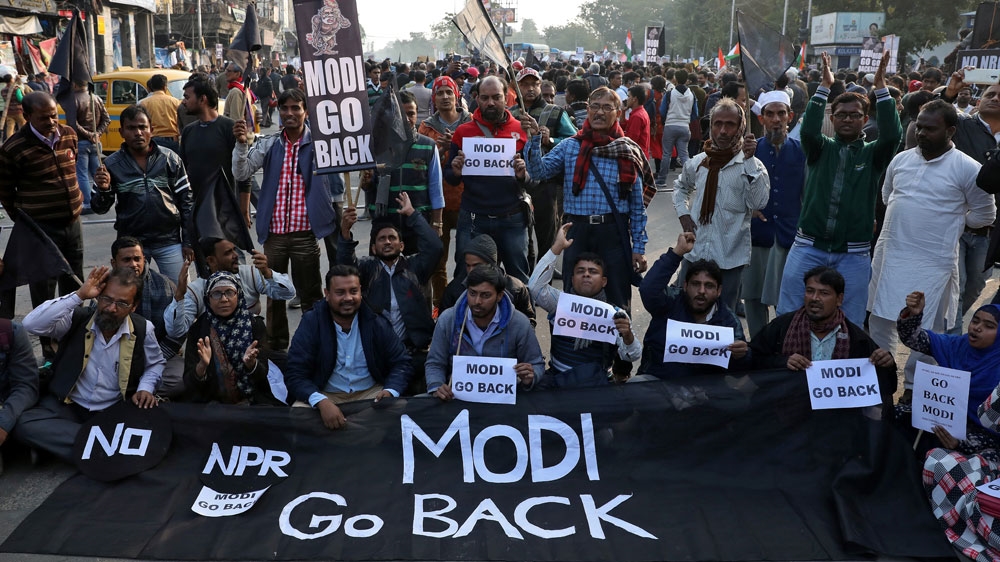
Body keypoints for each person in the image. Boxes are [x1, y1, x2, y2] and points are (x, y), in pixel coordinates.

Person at [868, 100, 995, 399]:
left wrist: (953, 221)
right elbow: (887, 196)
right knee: (880, 320)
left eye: (930, 128)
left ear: (950, 131)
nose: (921, 133)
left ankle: (914, 391)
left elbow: (985, 214)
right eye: (919, 127)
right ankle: (880, 384)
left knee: (927, 330)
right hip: (891, 255)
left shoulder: (968, 168)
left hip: (933, 262)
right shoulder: (901, 160)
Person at [776, 51, 901, 326]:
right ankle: (785, 352)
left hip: (854, 252)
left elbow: (893, 135)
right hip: (808, 245)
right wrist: (824, 87)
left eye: (854, 115)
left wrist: (881, 89)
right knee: (789, 310)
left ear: (865, 120)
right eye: (841, 115)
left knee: (851, 320)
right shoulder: (820, 149)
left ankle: (841, 355)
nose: (847, 119)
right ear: (832, 119)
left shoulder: (873, 155)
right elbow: (808, 131)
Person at [16, 266, 163, 461]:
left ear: (133, 306)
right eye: (107, 299)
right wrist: (79, 295)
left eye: (121, 303)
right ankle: (100, 445)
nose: (111, 308)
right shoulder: (77, 319)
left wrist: (145, 388)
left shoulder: (143, 329)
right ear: (98, 296)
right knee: (25, 423)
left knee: (153, 429)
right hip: (68, 406)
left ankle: (65, 446)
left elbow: (155, 364)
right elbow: (31, 324)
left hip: (112, 411)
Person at [233, 88, 343, 350]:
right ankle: (277, 348)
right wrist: (241, 144)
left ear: (306, 111)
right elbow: (242, 172)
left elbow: (340, 174)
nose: (290, 113)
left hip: (306, 234)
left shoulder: (321, 144)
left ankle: (314, 347)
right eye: (285, 108)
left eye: (296, 108)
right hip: (274, 236)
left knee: (311, 296)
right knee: (274, 295)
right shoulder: (269, 143)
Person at [523, 86, 649, 310]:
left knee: (617, 296)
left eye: (607, 108)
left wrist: (638, 247)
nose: (599, 112)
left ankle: (619, 334)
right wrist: (534, 139)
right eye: (595, 106)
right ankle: (574, 335)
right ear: (588, 109)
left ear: (618, 113)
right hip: (577, 231)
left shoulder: (627, 150)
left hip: (613, 232)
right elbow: (538, 171)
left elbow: (637, 205)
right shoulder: (570, 146)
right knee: (574, 299)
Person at [0, 92, 85, 351]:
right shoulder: (14, 148)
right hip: (40, 230)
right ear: (27, 117)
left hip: (73, 224)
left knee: (75, 284)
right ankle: (49, 346)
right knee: (44, 289)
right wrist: (26, 220)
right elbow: (5, 192)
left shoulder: (69, 134)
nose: (51, 122)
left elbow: (72, 170)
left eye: (54, 115)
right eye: (44, 118)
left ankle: (75, 338)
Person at [917, 299, 1000, 561]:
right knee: (929, 450)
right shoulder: (958, 346)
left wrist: (961, 443)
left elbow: (989, 422)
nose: (976, 328)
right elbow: (915, 339)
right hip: (960, 433)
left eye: (989, 326)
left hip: (991, 449)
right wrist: (912, 315)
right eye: (975, 321)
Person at [283, 265, 413, 429]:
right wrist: (321, 402)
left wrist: (390, 391)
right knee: (299, 414)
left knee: (398, 406)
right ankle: (359, 433)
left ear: (360, 292)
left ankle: (344, 435)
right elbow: (295, 372)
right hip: (327, 394)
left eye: (353, 291)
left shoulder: (375, 320)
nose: (348, 298)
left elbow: (401, 362)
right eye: (340, 292)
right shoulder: (312, 322)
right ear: (327, 294)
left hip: (370, 393)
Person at [750, 266, 896, 409]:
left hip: (836, 418)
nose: (815, 298)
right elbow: (752, 361)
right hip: (787, 411)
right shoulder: (782, 326)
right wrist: (783, 362)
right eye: (810, 291)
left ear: (839, 299)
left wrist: (886, 365)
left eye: (824, 293)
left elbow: (886, 386)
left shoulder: (857, 338)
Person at [672, 98, 769, 311]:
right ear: (711, 125)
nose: (723, 131)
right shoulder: (698, 162)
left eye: (730, 124)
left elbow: (759, 202)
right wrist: (683, 214)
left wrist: (749, 161)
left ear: (741, 128)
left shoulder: (752, 166)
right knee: (684, 312)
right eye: (718, 124)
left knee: (723, 316)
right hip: (695, 253)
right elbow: (680, 187)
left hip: (729, 260)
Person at [338, 192, 441, 390]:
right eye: (382, 239)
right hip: (377, 351)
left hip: (414, 350)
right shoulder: (367, 269)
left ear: (401, 245)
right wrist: (345, 232)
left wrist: (412, 214)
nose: (387, 242)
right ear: (374, 248)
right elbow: (344, 268)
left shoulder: (415, 267)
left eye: (392, 238)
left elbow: (435, 247)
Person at [529, 223, 641, 388]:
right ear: (572, 279)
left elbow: (632, 355)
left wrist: (628, 336)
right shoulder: (559, 303)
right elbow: (534, 287)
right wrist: (557, 248)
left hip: (594, 385)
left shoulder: (615, 314)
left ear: (604, 281)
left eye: (593, 272)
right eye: (580, 271)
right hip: (557, 378)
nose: (586, 274)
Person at [92, 104, 194, 283]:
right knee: (130, 292)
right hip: (131, 245)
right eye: (131, 128)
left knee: (182, 291)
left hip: (169, 241)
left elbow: (187, 203)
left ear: (151, 130)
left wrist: (188, 241)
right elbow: (99, 208)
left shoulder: (170, 159)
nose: (138, 133)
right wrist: (104, 189)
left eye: (142, 127)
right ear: (122, 132)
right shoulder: (110, 165)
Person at [445, 75, 532, 283]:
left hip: (512, 218)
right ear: (477, 99)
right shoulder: (463, 132)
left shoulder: (522, 130)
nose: (490, 102)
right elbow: (450, 177)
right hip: (473, 218)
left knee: (518, 278)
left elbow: (535, 179)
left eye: (496, 97)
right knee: (466, 277)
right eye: (484, 98)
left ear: (506, 97)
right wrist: (455, 171)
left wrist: (523, 175)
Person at [635, 232, 749, 379]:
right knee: (634, 385)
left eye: (709, 286)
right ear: (685, 285)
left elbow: (739, 373)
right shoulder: (669, 302)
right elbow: (648, 289)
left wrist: (742, 356)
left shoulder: (728, 322)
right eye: (696, 284)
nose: (701, 291)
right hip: (658, 382)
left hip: (704, 389)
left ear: (719, 291)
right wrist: (677, 252)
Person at [425, 264, 545, 400]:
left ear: (499, 295)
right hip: (456, 400)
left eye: (485, 295)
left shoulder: (519, 323)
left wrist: (531, 376)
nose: (477, 301)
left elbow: (537, 364)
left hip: (503, 403)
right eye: (472, 293)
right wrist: (436, 386)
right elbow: (435, 363)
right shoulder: (448, 320)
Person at [744, 91, 805, 337]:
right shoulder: (749, 151)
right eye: (770, 114)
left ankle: (783, 344)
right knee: (753, 297)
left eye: (781, 114)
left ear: (790, 116)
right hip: (756, 236)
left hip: (789, 237)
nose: (776, 119)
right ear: (761, 119)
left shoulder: (801, 150)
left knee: (787, 300)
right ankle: (759, 345)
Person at [164, 237, 295, 341]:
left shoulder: (250, 273)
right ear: (211, 260)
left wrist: (268, 273)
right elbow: (176, 331)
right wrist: (179, 296)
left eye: (234, 250)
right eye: (228, 253)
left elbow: (288, 293)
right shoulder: (195, 290)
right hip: (213, 353)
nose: (235, 255)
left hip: (252, 345)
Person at [510, 67, 578, 263]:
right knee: (520, 232)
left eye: (534, 84)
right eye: (525, 85)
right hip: (516, 181)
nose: (530, 88)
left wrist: (551, 140)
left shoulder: (555, 112)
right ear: (517, 87)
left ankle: (545, 269)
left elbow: (574, 140)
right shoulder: (510, 113)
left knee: (546, 231)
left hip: (546, 183)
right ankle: (528, 268)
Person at [363, 90, 443, 254]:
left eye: (411, 113)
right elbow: (368, 185)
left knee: (418, 269)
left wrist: (437, 223)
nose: (406, 119)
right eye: (400, 114)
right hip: (384, 226)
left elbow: (436, 190)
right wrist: (367, 183)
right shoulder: (375, 146)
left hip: (418, 224)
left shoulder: (428, 146)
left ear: (417, 115)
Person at [418, 75, 472, 309]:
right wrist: (439, 151)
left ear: (457, 95)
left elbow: (481, 158)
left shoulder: (471, 122)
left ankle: (466, 305)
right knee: (437, 261)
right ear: (433, 98)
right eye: (439, 93)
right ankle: (441, 309)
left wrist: (458, 146)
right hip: (437, 204)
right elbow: (422, 164)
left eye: (449, 92)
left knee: (467, 258)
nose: (445, 97)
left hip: (468, 201)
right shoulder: (426, 127)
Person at [107, 237, 185, 398]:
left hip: (158, 356)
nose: (133, 264)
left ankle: (141, 395)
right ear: (114, 263)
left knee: (179, 380)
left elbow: (176, 334)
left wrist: (155, 360)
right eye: (126, 260)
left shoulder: (165, 286)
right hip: (114, 358)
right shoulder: (104, 288)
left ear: (144, 259)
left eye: (137, 259)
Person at [183, 271, 277, 405]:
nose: (224, 299)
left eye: (229, 292)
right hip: (213, 404)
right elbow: (189, 383)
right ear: (208, 299)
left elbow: (262, 376)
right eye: (216, 294)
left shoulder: (254, 325)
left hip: (252, 402)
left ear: (238, 295)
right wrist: (202, 366)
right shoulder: (198, 330)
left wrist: (251, 365)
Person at [179, 77, 251, 242]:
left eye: (187, 97)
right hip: (198, 211)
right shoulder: (189, 131)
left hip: (224, 212)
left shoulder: (229, 128)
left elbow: (244, 175)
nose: (184, 102)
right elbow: (182, 172)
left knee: (229, 254)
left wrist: (243, 212)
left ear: (202, 99)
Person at [439, 233, 535, 321]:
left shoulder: (516, 288)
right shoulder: (453, 291)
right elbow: (443, 324)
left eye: (476, 265)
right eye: (468, 265)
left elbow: (529, 321)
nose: (471, 271)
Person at [0, 309, 39, 467]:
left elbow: (26, 386)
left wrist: (3, 422)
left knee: (28, 425)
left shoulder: (11, 332)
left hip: (5, 406)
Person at [68, 80, 110, 213]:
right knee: (97, 172)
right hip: (95, 142)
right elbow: (107, 119)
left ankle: (87, 202)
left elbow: (73, 123)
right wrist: (97, 134)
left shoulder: (73, 100)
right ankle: (101, 198)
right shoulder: (96, 98)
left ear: (75, 84)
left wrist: (89, 135)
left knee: (82, 174)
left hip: (82, 141)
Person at [657, 68, 697, 183]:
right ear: (687, 79)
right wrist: (686, 119)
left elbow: (662, 110)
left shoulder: (670, 93)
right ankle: (690, 179)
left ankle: (662, 179)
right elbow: (695, 113)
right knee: (684, 155)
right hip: (685, 126)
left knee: (666, 154)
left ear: (675, 79)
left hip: (670, 125)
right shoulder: (691, 94)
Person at [138, 73, 182, 153]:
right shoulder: (175, 102)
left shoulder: (143, 103)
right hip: (172, 139)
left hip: (153, 139)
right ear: (165, 87)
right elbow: (180, 122)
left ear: (151, 86)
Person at [222, 63, 257, 144]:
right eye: (226, 70)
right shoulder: (242, 88)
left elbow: (235, 119)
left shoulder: (236, 92)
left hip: (237, 138)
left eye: (228, 71)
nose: (225, 73)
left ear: (237, 74)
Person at [621, 83, 650, 156]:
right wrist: (623, 111)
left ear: (634, 99)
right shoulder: (640, 112)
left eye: (628, 96)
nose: (626, 99)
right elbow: (624, 126)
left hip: (636, 155)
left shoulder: (637, 116)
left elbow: (630, 140)